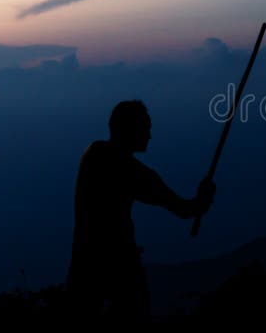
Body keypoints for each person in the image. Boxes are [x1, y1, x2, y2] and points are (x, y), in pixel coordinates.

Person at [66, 100, 216, 320]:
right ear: (131, 129)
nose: (149, 136)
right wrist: (204, 198)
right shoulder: (128, 169)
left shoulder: (94, 154)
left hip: (84, 265)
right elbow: (184, 209)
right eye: (145, 128)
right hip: (119, 268)